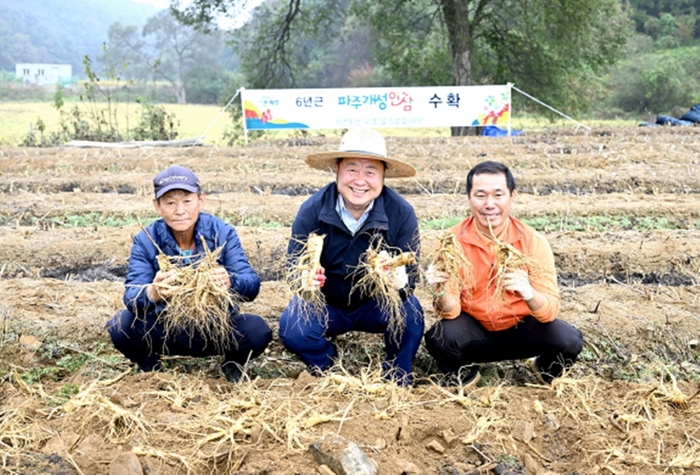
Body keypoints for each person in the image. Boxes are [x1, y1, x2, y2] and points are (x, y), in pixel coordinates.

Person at [278, 127, 424, 386]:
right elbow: (293, 264)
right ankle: (327, 365)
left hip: (376, 304)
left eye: (370, 172)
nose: (360, 180)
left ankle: (397, 372)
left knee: (410, 314)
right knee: (294, 328)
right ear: (337, 170)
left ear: (383, 176)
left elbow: (410, 277)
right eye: (352, 169)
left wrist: (396, 278)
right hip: (327, 305)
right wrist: (304, 279)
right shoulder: (312, 209)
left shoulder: (401, 213)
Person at [424, 161, 583, 387]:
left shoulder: (532, 241)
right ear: (469, 198)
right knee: (440, 337)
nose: (490, 204)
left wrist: (528, 293)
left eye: (498, 195)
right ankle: (466, 374)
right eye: (480, 195)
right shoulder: (451, 242)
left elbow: (549, 312)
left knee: (568, 340)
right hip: (475, 331)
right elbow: (451, 313)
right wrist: (440, 291)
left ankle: (544, 369)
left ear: (512, 196)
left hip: (524, 329)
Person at [107, 165, 272, 382]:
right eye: (170, 202)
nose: (180, 210)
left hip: (214, 327)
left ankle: (233, 364)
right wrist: (153, 292)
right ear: (157, 206)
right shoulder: (146, 240)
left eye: (187, 201)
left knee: (257, 330)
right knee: (120, 325)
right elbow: (131, 295)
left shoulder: (222, 233)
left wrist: (230, 281)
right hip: (165, 327)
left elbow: (251, 285)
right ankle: (150, 368)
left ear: (201, 201)